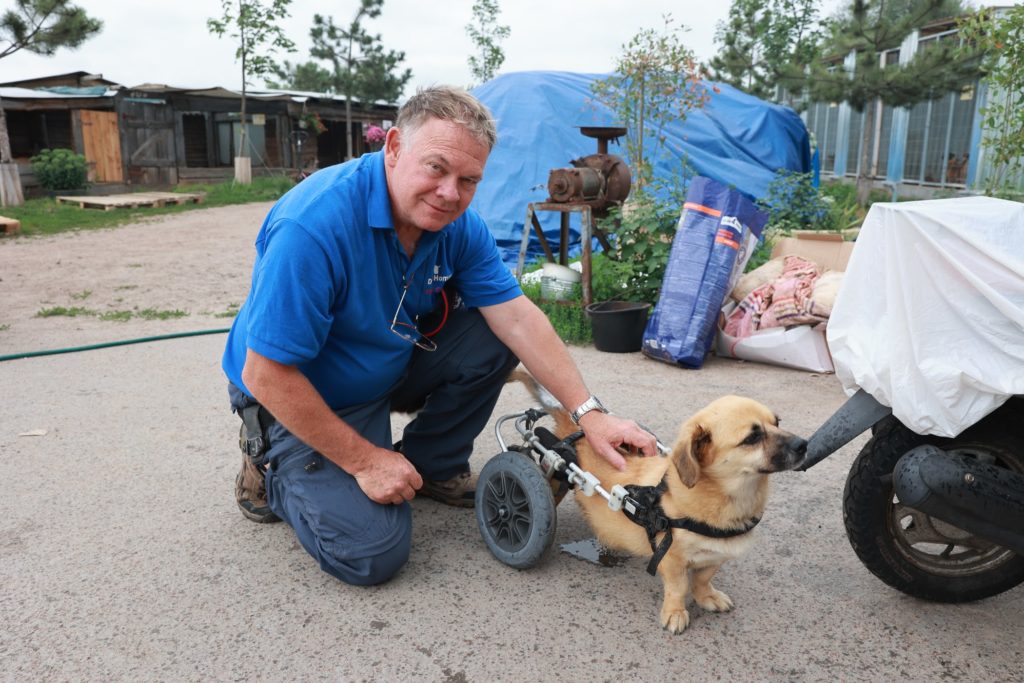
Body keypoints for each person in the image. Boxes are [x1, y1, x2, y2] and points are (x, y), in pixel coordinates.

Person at [222, 85, 656, 586]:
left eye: (468, 179)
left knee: (493, 336)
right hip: (302, 393)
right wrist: (364, 460)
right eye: (436, 168)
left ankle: (428, 467)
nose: (450, 193)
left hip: (385, 362)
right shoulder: (313, 225)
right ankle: (268, 466)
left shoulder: (456, 226)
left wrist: (591, 414)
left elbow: (516, 316)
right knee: (370, 555)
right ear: (393, 148)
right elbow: (267, 373)